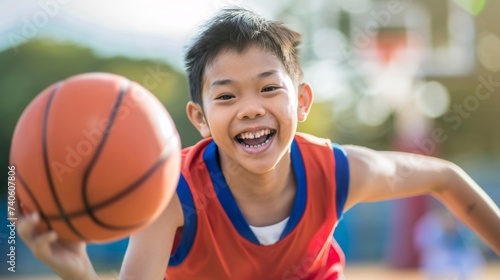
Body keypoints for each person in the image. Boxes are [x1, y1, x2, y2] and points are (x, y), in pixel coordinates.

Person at [18, 7, 500, 280]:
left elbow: (445, 176)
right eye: (226, 96)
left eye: (269, 88)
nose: (250, 107)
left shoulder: (339, 171)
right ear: (200, 119)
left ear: (303, 102)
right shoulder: (172, 194)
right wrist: (79, 273)